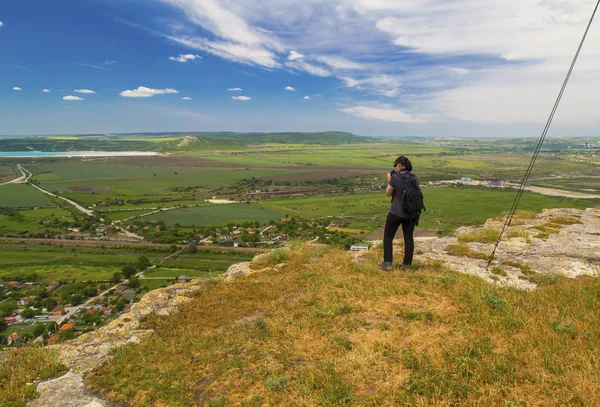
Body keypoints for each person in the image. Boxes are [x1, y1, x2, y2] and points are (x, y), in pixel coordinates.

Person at [378, 156, 421, 271]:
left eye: (397, 165)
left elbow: (388, 193)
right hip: (411, 213)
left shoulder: (395, 178)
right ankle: (406, 265)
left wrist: (389, 179)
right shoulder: (414, 178)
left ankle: (387, 263)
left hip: (396, 212)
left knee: (388, 236)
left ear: (399, 166)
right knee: (408, 237)